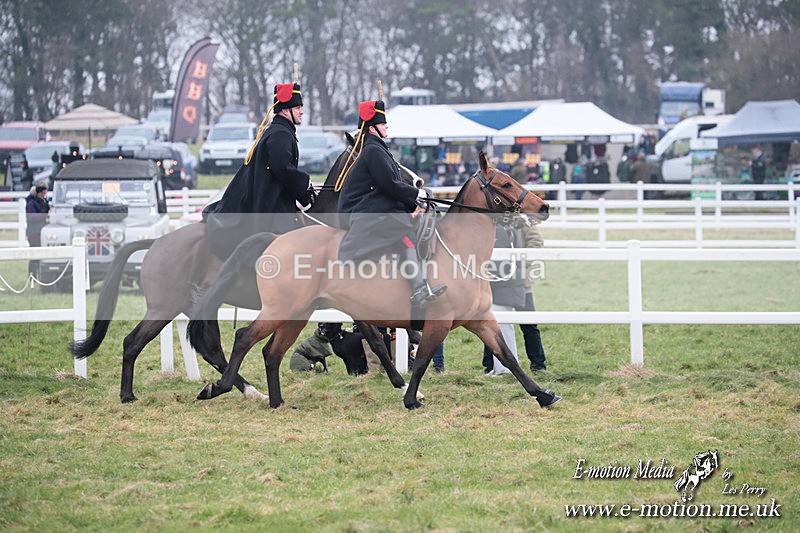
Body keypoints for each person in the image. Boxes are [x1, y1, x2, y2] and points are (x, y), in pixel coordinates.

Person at [337, 99, 446, 316]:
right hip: (364, 210)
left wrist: (413, 204)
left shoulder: (377, 148)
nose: (387, 127)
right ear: (372, 128)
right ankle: (418, 290)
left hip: (375, 204)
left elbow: (391, 187)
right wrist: (418, 195)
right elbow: (389, 185)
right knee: (406, 234)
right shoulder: (373, 150)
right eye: (383, 123)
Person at [203, 82, 315, 260]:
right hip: (271, 204)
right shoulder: (281, 134)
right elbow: (282, 168)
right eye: (298, 107)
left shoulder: (281, 130)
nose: (302, 111)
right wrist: (305, 186)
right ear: (286, 111)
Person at [482, 224, 525, 376]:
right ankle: (500, 368)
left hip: (502, 285)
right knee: (501, 328)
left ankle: (504, 369)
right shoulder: (506, 227)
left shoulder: (499, 229)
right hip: (506, 284)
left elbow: (497, 263)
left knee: (503, 328)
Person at [518, 222, 548, 372]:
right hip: (496, 281)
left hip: (521, 281)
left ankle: (538, 364)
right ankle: (491, 365)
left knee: (529, 324)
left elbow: (536, 241)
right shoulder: (492, 218)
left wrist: (522, 262)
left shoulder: (522, 221)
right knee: (494, 324)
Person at [25, 181, 50, 275]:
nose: (44, 195)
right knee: (35, 256)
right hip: (34, 233)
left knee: (40, 255)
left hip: (40, 232)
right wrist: (45, 215)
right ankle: (32, 275)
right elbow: (31, 217)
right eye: (43, 193)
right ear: (39, 192)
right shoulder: (31, 203)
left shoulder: (43, 201)